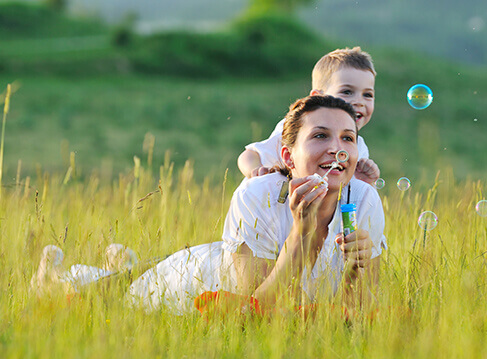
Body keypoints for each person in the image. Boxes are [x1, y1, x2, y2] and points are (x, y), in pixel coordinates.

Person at [128, 95, 387, 314]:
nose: (336, 149)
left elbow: (359, 316)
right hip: (182, 292)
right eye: (320, 135)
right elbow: (255, 311)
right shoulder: (257, 195)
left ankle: (122, 261)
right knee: (108, 286)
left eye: (348, 138)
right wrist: (300, 232)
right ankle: (120, 263)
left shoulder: (363, 199)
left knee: (124, 269)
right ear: (289, 157)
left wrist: (356, 269)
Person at [237, 47, 380, 186]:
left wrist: (366, 181)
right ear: (318, 97)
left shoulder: (358, 146)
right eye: (347, 92)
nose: (359, 102)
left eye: (367, 95)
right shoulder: (299, 130)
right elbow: (249, 156)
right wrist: (256, 173)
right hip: (272, 204)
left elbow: (351, 192)